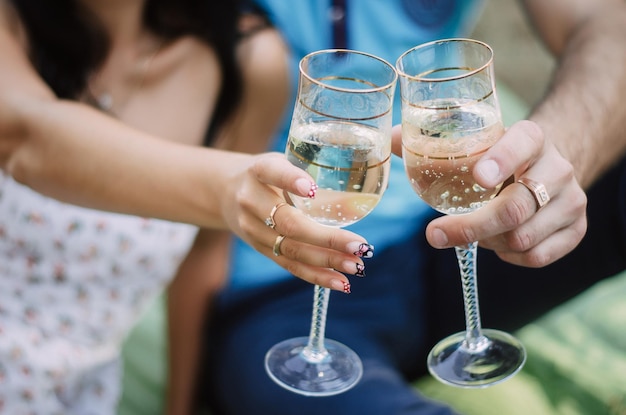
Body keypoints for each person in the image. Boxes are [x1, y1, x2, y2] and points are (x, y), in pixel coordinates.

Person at [198, 0, 626, 414]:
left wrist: (555, 162)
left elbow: (608, 22)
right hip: (279, 289)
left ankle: (470, 336)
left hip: (431, 243)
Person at [0, 0, 373, 412]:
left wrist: (180, 405)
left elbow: (205, 253)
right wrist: (225, 187)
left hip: (83, 392)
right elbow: (22, 136)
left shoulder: (247, 60)